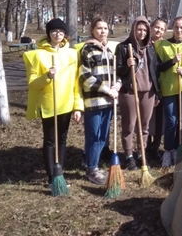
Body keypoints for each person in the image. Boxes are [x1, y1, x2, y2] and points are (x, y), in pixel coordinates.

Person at [23, 18, 83, 185]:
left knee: (62, 139)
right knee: (50, 140)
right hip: (49, 104)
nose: (58, 34)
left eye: (61, 31)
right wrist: (47, 76)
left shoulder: (72, 54)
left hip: (66, 103)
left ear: (65, 34)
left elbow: (76, 82)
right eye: (54, 31)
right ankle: (51, 177)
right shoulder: (37, 55)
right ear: (49, 33)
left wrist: (78, 107)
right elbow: (33, 83)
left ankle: (59, 172)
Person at [115, 16, 161, 171]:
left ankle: (141, 152)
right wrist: (127, 66)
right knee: (129, 125)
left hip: (148, 92)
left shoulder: (150, 48)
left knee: (145, 126)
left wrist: (157, 93)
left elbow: (155, 70)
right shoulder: (123, 47)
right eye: (139, 29)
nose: (141, 33)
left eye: (144, 30)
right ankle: (128, 155)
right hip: (129, 91)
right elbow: (118, 71)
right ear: (133, 29)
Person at [79, 16, 120, 184]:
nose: (103, 31)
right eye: (99, 28)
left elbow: (116, 73)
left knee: (103, 136)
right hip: (95, 101)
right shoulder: (87, 50)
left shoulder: (109, 51)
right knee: (94, 135)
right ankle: (91, 169)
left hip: (109, 101)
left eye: (105, 28)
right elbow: (85, 77)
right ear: (92, 31)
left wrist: (117, 85)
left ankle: (90, 162)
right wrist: (106, 89)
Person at [155, 16, 182, 167]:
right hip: (168, 87)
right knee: (171, 119)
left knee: (181, 119)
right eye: (176, 27)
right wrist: (171, 62)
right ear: (172, 28)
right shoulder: (162, 46)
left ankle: (179, 148)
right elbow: (157, 67)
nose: (179, 30)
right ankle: (168, 150)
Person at [146, 18, 167, 159]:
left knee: (160, 118)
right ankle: (145, 147)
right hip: (147, 85)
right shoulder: (144, 44)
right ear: (151, 27)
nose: (158, 30)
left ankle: (155, 147)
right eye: (156, 27)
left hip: (161, 86)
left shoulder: (164, 46)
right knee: (146, 118)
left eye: (162, 29)